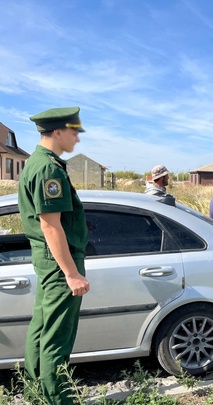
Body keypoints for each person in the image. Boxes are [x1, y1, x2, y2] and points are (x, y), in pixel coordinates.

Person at [18, 107, 90, 405]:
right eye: (74, 131)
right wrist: (71, 273)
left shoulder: (37, 163)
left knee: (42, 330)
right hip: (60, 263)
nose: (77, 138)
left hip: (48, 261)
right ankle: (58, 399)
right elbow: (50, 226)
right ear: (58, 131)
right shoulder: (48, 168)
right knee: (57, 338)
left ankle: (36, 393)